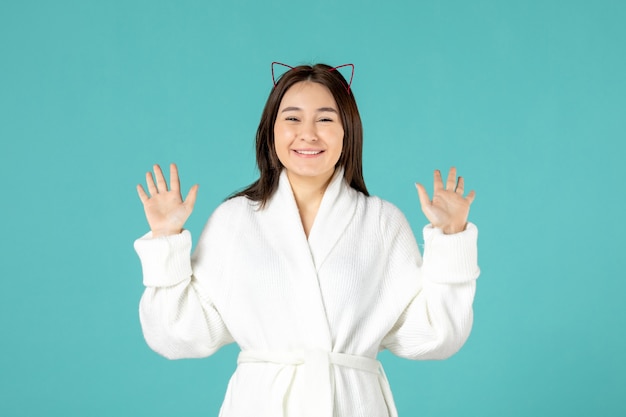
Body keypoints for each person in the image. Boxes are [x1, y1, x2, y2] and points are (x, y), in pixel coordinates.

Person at [134, 63, 479, 417]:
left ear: (348, 132)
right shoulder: (234, 221)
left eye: (326, 120)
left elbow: (437, 335)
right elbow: (177, 335)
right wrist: (166, 239)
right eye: (293, 119)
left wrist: (451, 239)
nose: (308, 134)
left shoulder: (381, 222)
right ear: (271, 131)